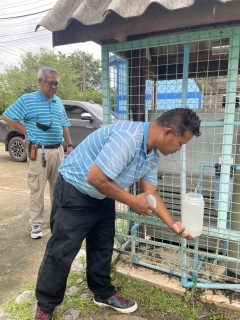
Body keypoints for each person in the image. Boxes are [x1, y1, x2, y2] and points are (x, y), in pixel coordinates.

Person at [34, 108, 201, 319]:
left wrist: (173, 225)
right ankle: (46, 305)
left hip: (104, 194)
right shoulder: (128, 138)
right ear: (167, 132)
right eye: (180, 143)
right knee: (61, 251)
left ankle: (102, 292)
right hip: (75, 191)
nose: (179, 149)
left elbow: (151, 194)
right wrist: (132, 201)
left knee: (102, 247)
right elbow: (95, 179)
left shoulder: (152, 154)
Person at [2, 67, 73, 239]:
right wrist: (27, 131)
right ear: (40, 82)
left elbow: (65, 125)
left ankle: (57, 222)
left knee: (58, 188)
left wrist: (69, 145)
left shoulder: (58, 102)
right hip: (38, 151)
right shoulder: (28, 100)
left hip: (57, 151)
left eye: (56, 84)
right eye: (51, 83)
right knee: (37, 189)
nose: (54, 87)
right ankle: (35, 224)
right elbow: (7, 116)